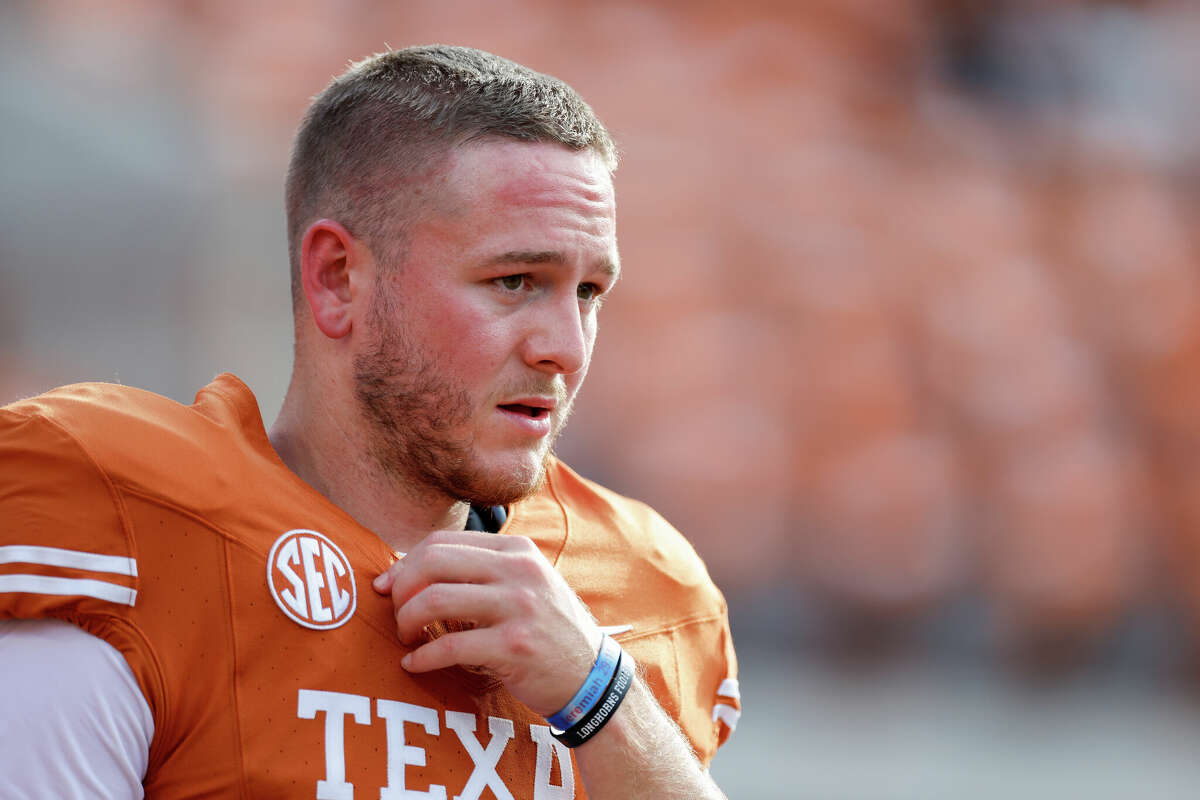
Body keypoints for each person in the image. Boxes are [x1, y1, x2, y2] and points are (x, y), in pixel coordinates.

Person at [0, 45, 739, 799]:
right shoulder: (126, 535)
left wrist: (600, 698)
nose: (566, 349)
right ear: (338, 277)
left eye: (587, 292)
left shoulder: (636, 593)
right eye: (514, 280)